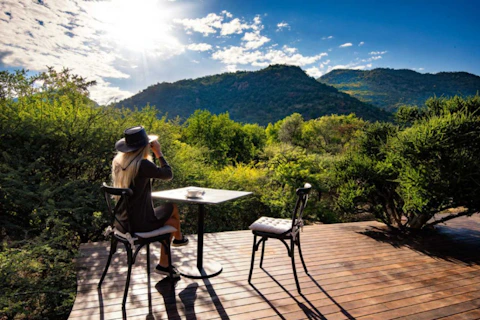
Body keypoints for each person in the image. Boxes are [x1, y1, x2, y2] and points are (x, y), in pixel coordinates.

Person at [112, 125, 188, 278]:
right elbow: (168, 174)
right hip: (140, 224)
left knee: (172, 224)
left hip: (122, 222)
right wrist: (158, 152)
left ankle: (165, 265)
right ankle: (178, 240)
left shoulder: (120, 163)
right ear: (145, 146)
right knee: (172, 207)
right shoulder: (143, 164)